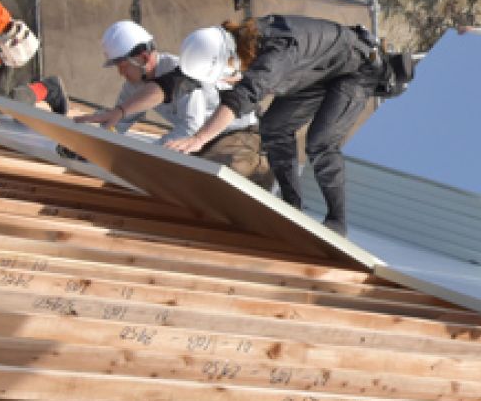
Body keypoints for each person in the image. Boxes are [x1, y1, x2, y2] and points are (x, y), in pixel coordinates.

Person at [163, 16, 382, 236]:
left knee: (319, 142)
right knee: (273, 127)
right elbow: (179, 78)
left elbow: (243, 96)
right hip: (315, 72)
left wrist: (199, 139)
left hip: (356, 69)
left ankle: (337, 220)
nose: (229, 79)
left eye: (227, 73)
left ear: (230, 57)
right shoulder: (244, 41)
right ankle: (292, 205)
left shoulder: (276, 55)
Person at [75, 20, 272, 189]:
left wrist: (148, 156)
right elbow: (118, 124)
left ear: (143, 58)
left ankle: (262, 170)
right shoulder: (134, 86)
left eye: (123, 66)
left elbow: (190, 127)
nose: (121, 73)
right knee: (177, 179)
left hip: (237, 134)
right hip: (202, 140)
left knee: (208, 181)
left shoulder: (183, 71)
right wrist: (87, 144)